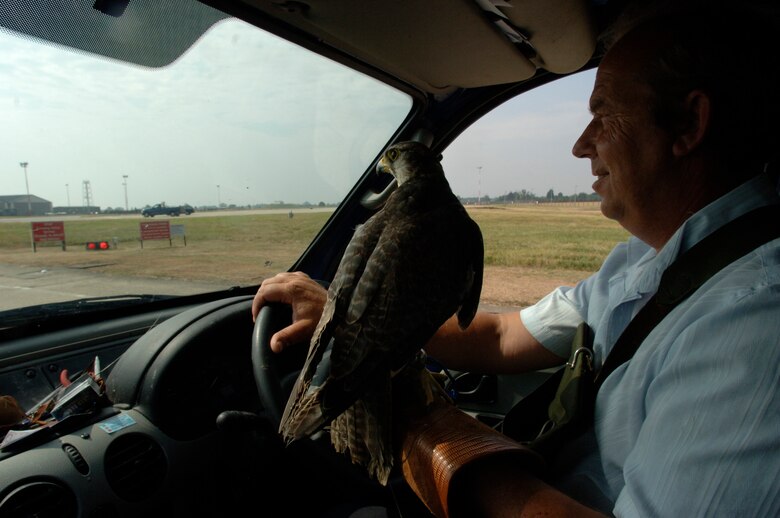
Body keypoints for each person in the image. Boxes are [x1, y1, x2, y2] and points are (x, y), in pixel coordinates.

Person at [252, 4, 780, 517]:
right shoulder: (644, 261)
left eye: (603, 115)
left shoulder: (756, 324)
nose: (579, 145)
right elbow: (501, 337)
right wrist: (351, 322)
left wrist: (426, 429)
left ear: (689, 123)